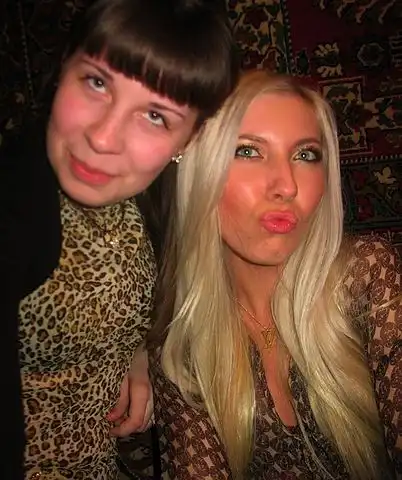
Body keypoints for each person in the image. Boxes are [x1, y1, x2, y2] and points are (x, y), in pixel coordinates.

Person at [13, 0, 238, 478]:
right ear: (63, 69)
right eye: (97, 82)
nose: (103, 138)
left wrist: (134, 349)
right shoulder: (20, 203)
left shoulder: (160, 195)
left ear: (189, 141)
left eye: (155, 115)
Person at [148, 70, 402, 479]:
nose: (287, 185)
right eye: (248, 151)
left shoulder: (368, 275)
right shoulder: (184, 347)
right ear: (198, 174)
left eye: (306, 155)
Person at [0, 135, 61, 479]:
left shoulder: (142, 196)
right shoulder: (22, 177)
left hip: (102, 458)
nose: (103, 138)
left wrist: (140, 347)